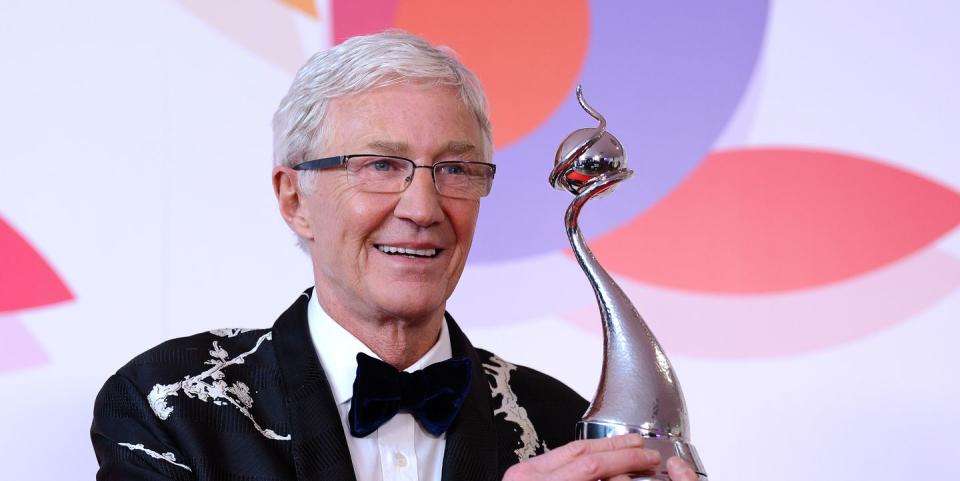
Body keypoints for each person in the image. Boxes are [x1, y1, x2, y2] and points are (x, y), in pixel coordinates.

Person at [91, 30, 699, 481]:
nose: (424, 207)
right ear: (294, 197)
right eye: (381, 165)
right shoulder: (174, 406)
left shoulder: (559, 424)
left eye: (455, 169)